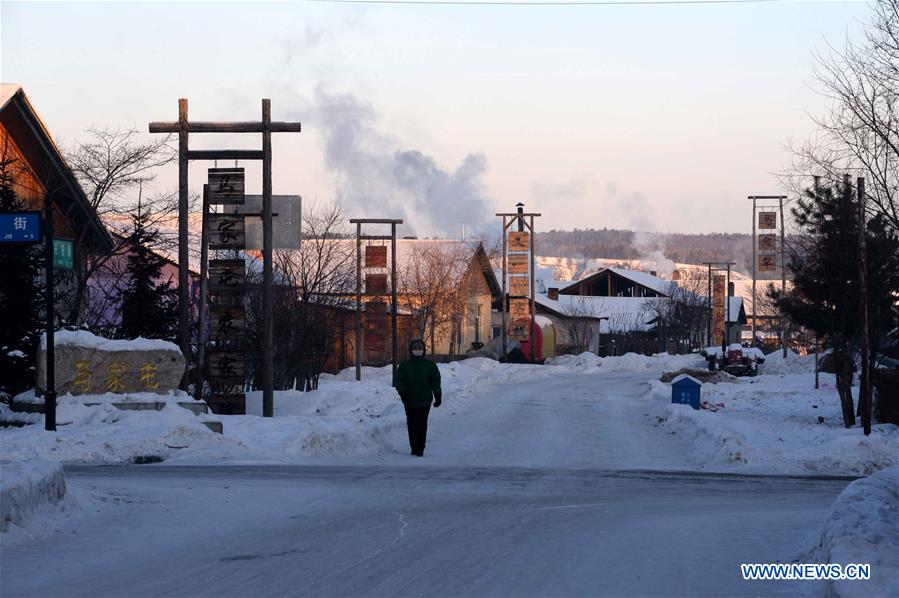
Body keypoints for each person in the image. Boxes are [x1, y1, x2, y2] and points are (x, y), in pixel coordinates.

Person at [394, 338, 442, 456]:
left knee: (422, 424)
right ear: (411, 350)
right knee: (412, 424)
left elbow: (435, 380)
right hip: (409, 400)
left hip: (424, 400)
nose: (417, 350)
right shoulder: (405, 366)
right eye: (415, 348)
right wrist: (403, 393)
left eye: (419, 348)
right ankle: (414, 447)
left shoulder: (430, 365)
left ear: (423, 350)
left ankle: (420, 448)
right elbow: (399, 380)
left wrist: (438, 395)